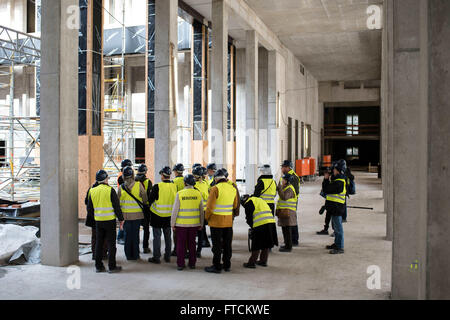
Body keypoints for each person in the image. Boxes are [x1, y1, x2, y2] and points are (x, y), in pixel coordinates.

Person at [87, 170, 124, 273]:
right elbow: (117, 207)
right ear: (105, 179)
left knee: (99, 243)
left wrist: (96, 216)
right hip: (110, 221)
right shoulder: (110, 190)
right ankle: (112, 267)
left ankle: (98, 266)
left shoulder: (92, 191)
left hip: (98, 221)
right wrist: (121, 219)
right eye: (107, 178)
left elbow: (89, 209)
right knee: (111, 244)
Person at [204, 169, 239, 273]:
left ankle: (216, 266)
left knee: (217, 245)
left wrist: (207, 217)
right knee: (227, 244)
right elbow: (235, 205)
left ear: (216, 179)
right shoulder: (232, 188)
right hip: (228, 221)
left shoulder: (215, 189)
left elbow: (209, 207)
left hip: (216, 222)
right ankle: (227, 265)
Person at [171, 174, 204, 270]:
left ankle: (180, 264)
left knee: (181, 244)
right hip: (194, 224)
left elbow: (175, 210)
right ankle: (192, 263)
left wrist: (172, 223)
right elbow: (201, 210)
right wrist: (201, 223)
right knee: (192, 244)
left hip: (181, 224)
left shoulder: (180, 194)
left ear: (184, 183)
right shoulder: (198, 194)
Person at [148, 166, 177, 264]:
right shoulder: (174, 186)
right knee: (168, 236)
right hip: (169, 216)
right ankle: (167, 256)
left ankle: (156, 257)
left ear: (162, 175)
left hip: (157, 215)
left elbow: (150, 200)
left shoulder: (157, 186)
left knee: (157, 237)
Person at [118, 166, 148, 261]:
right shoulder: (139, 185)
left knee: (127, 236)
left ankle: (128, 255)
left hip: (125, 216)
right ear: (133, 175)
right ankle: (136, 254)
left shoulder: (121, 188)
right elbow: (145, 199)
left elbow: (117, 202)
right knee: (135, 235)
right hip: (137, 215)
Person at [241, 194, 278, 268]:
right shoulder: (259, 200)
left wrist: (252, 227)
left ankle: (251, 263)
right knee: (266, 242)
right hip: (271, 222)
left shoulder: (248, 203)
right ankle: (263, 261)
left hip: (261, 224)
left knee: (256, 244)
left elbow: (249, 219)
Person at [323, 160, 347, 254]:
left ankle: (340, 247)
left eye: (334, 169)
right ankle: (336, 244)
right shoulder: (337, 180)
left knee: (338, 228)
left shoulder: (339, 182)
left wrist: (325, 179)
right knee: (336, 228)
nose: (333, 171)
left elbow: (326, 189)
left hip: (337, 208)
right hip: (334, 207)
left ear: (338, 170)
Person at [85, 180, 108, 261]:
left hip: (93, 218)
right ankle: (103, 254)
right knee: (104, 237)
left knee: (95, 237)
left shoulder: (91, 189)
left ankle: (95, 254)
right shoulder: (107, 189)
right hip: (104, 217)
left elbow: (86, 202)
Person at [276, 173, 298, 252]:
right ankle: (286, 245)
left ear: (288, 181)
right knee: (284, 229)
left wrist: (279, 189)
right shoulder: (285, 187)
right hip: (284, 212)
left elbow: (284, 197)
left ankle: (289, 247)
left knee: (287, 230)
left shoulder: (290, 189)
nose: (282, 181)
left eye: (284, 180)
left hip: (289, 213)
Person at [280, 160, 300, 246]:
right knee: (289, 220)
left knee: (292, 220)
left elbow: (293, 191)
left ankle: (294, 239)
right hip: (287, 202)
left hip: (291, 202)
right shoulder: (286, 176)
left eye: (283, 167)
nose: (282, 168)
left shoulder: (293, 177)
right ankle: (290, 239)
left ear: (288, 167)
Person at [135, 164, 153, 253]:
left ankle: (136, 247)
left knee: (136, 228)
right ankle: (145, 247)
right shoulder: (148, 182)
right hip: (145, 208)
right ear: (145, 172)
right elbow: (149, 196)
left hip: (136, 208)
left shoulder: (133, 181)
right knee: (146, 229)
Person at [193, 166, 210, 258]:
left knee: (194, 231)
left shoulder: (194, 186)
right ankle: (199, 250)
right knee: (201, 230)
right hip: (205, 210)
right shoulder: (205, 183)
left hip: (196, 211)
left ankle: (194, 250)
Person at [116, 159, 132, 245]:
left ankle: (122, 237)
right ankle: (119, 237)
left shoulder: (122, 174)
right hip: (123, 200)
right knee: (123, 222)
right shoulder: (121, 176)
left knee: (124, 221)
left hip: (124, 199)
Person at [171, 163, 185, 256]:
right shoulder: (186, 180)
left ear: (175, 172)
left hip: (177, 208)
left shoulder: (173, 182)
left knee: (176, 232)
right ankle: (185, 250)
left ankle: (177, 250)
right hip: (187, 209)